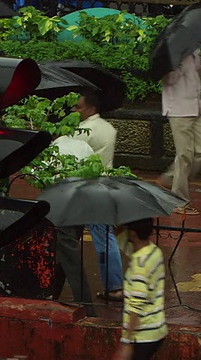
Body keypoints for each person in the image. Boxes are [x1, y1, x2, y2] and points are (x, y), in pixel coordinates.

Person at [71, 90, 123, 301]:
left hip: (89, 190)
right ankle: (113, 285)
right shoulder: (108, 127)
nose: (74, 110)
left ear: (90, 108)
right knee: (104, 238)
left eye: (78, 107)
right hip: (106, 186)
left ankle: (115, 286)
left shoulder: (85, 130)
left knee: (103, 240)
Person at [156, 49, 201, 216]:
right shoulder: (169, 55)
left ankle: (169, 179)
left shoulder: (194, 51)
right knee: (184, 156)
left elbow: (194, 75)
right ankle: (179, 201)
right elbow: (169, 80)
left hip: (196, 108)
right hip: (178, 110)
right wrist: (178, 63)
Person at [50, 135, 96, 316]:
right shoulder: (83, 145)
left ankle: (87, 306)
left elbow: (43, 178)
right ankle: (50, 294)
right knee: (65, 254)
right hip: (80, 205)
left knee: (70, 258)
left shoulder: (53, 149)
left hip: (61, 208)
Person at [112, 218, 167, 360]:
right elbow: (131, 248)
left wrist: (126, 342)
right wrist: (119, 232)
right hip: (157, 328)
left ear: (134, 233)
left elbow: (135, 308)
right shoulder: (154, 252)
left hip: (142, 335)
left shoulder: (139, 266)